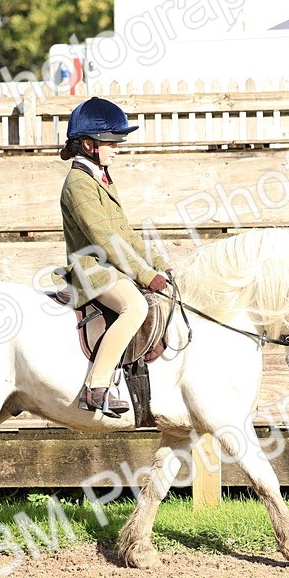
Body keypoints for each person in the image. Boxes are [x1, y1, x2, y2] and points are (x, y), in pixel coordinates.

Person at [57, 97, 172, 418]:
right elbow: (104, 239)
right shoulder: (78, 183)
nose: (118, 147)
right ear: (89, 144)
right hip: (92, 269)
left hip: (112, 267)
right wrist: (145, 275)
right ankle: (96, 387)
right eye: (112, 141)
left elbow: (125, 233)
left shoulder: (101, 177)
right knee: (134, 307)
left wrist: (160, 265)